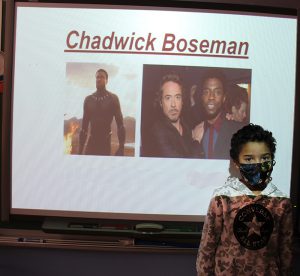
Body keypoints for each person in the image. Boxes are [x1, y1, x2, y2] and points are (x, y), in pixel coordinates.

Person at [196, 124, 293, 275]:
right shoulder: (222, 198)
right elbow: (207, 248)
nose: (258, 164)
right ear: (236, 162)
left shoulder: (281, 201)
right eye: (249, 159)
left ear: (272, 159)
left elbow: (285, 251)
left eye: (265, 158)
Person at [146, 73, 203, 158]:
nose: (173, 104)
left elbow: (200, 118)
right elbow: (181, 166)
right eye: (168, 98)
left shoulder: (186, 126)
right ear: (161, 102)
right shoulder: (157, 132)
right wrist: (196, 141)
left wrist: (229, 115)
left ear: (182, 101)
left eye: (177, 97)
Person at [193, 69, 244, 159]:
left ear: (224, 98)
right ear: (201, 97)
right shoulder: (193, 131)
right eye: (206, 92)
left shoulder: (238, 132)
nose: (211, 97)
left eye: (217, 92)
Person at [79, 69, 125, 156]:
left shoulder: (113, 99)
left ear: (107, 80)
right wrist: (80, 152)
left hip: (105, 144)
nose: (99, 79)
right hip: (91, 143)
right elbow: (84, 129)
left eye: (102, 77)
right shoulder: (88, 100)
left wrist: (121, 147)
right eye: (97, 77)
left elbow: (121, 126)